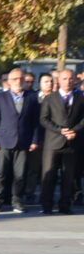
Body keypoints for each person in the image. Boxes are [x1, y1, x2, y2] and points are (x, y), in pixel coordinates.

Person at [0, 69, 40, 213]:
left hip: (23, 141)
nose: (18, 82)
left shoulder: (31, 97)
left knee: (20, 174)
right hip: (4, 141)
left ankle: (17, 201)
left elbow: (35, 122)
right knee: (1, 174)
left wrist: (34, 140)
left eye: (21, 79)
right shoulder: (0, 97)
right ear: (9, 81)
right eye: (15, 79)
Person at [39, 70, 82, 214]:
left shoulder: (80, 98)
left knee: (68, 176)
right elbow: (44, 119)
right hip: (53, 142)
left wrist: (74, 130)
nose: (68, 81)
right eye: (64, 78)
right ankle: (47, 205)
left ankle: (65, 205)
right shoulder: (50, 98)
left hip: (71, 143)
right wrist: (60, 130)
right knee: (49, 175)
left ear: (75, 80)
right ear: (59, 81)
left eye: (70, 79)